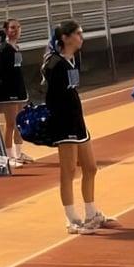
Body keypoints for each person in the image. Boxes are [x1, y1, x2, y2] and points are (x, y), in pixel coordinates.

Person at [42, 20, 112, 235]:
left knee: (90, 167)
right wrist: (58, 127)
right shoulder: (55, 64)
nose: (81, 38)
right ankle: (72, 218)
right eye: (78, 34)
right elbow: (52, 97)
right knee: (69, 171)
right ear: (65, 37)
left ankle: (91, 213)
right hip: (64, 124)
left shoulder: (71, 60)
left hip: (77, 121)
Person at [0, 19, 33, 168]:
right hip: (9, 92)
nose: (16, 30)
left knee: (19, 123)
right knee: (11, 123)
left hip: (19, 90)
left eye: (18, 27)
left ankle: (18, 153)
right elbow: (3, 72)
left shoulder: (16, 47)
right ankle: (9, 157)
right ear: (7, 30)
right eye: (12, 28)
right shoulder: (5, 49)